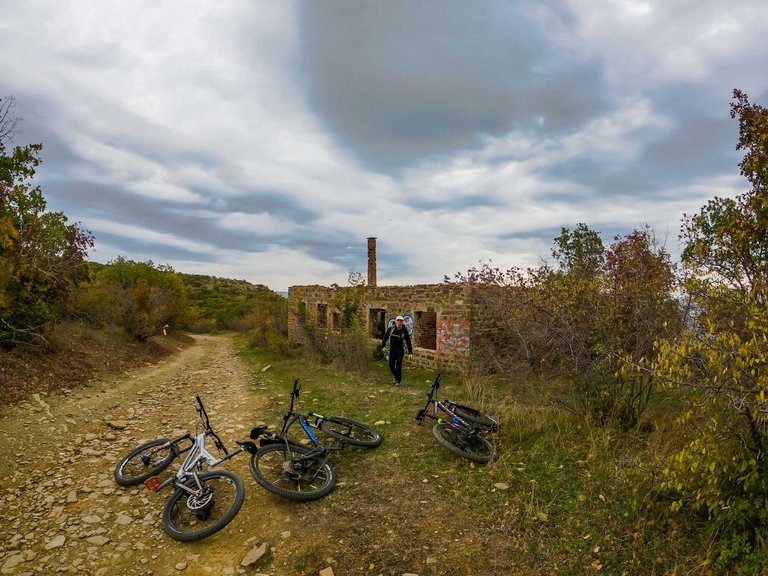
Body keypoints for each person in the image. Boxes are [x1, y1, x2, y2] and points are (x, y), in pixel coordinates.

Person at [381, 315, 413, 386]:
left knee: (398, 366)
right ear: (395, 321)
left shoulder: (404, 331)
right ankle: (396, 376)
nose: (399, 322)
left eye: (401, 321)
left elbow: (408, 341)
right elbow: (385, 337)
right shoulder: (391, 329)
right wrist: (383, 346)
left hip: (400, 352)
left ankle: (398, 380)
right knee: (391, 365)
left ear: (402, 322)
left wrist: (410, 352)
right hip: (392, 351)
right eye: (398, 321)